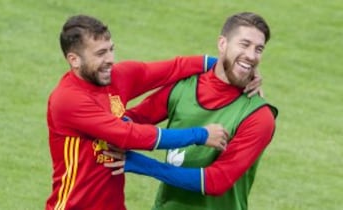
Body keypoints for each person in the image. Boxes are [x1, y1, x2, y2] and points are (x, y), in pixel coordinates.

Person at [45, 14, 237, 210]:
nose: (110, 59)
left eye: (111, 49)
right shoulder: (67, 100)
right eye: (100, 53)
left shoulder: (117, 76)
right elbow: (129, 136)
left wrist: (235, 69)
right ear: (74, 60)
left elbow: (174, 68)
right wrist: (200, 134)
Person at [105, 12, 278, 210]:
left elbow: (217, 180)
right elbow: (132, 121)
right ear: (222, 44)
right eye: (244, 44)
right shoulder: (185, 86)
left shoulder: (259, 117)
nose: (251, 55)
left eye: (259, 49)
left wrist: (143, 164)